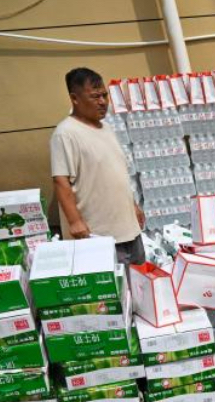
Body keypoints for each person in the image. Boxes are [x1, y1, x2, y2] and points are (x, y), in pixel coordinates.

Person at [51, 67, 146, 264]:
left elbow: (117, 173)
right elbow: (61, 182)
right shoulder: (65, 134)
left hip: (129, 229)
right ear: (75, 99)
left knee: (138, 287)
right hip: (99, 236)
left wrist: (133, 206)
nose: (102, 102)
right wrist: (75, 221)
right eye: (95, 97)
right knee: (114, 291)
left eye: (104, 95)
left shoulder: (107, 129)